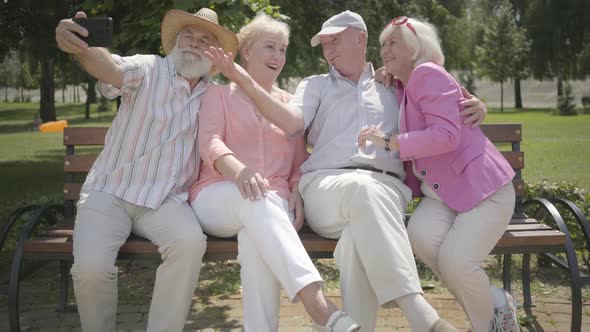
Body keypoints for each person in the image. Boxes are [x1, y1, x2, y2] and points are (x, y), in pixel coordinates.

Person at [204, 10, 487, 332]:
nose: (329, 50)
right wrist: (242, 78)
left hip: (385, 190)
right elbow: (292, 124)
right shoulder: (314, 86)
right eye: (324, 44)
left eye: (335, 40)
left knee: (357, 239)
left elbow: (445, 102)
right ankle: (420, 313)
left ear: (361, 38)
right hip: (326, 189)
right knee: (362, 190)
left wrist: (477, 105)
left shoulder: (395, 85)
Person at [55, 8, 238, 331]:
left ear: (214, 55)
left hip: (166, 202)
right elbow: (110, 68)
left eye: (204, 40)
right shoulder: (148, 68)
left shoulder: (214, 96)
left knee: (189, 244)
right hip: (110, 191)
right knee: (91, 269)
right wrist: (84, 47)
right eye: (188, 37)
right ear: (175, 42)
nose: (194, 44)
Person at [189, 13, 360, 332]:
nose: (278, 57)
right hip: (217, 195)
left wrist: (296, 189)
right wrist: (237, 169)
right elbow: (209, 141)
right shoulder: (219, 95)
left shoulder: (288, 104)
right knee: (256, 199)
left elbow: (298, 162)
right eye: (270, 47)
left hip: (271, 207)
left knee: (256, 239)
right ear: (246, 52)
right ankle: (317, 303)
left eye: (282, 49)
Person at [358, 16, 518, 332]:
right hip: (443, 194)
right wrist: (385, 74)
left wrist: (389, 141)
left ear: (416, 49)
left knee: (457, 264)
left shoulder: (425, 74)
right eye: (382, 44)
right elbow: (457, 98)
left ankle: (490, 324)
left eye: (393, 42)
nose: (384, 49)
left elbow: (447, 134)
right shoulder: (405, 81)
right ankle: (497, 301)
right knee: (419, 235)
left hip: (484, 191)